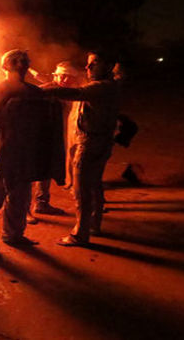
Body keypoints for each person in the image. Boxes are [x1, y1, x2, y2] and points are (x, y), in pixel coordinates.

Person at [0, 49, 61, 262]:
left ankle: (14, 235)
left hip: (25, 151)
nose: (20, 64)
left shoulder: (35, 92)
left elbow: (45, 126)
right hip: (0, 150)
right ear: (4, 66)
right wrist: (7, 114)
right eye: (14, 61)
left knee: (20, 197)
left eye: (24, 61)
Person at [46, 51, 120, 246]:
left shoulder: (101, 87)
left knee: (82, 189)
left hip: (90, 143)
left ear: (108, 66)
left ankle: (80, 233)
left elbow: (75, 93)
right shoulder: (108, 86)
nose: (88, 68)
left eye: (93, 64)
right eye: (88, 64)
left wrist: (42, 90)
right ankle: (94, 224)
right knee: (94, 184)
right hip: (100, 141)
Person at [33, 61, 86, 215]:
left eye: (67, 77)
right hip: (43, 137)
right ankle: (32, 208)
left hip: (64, 136)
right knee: (38, 170)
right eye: (60, 76)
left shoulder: (74, 93)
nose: (63, 80)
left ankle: (43, 202)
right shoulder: (44, 91)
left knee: (52, 169)